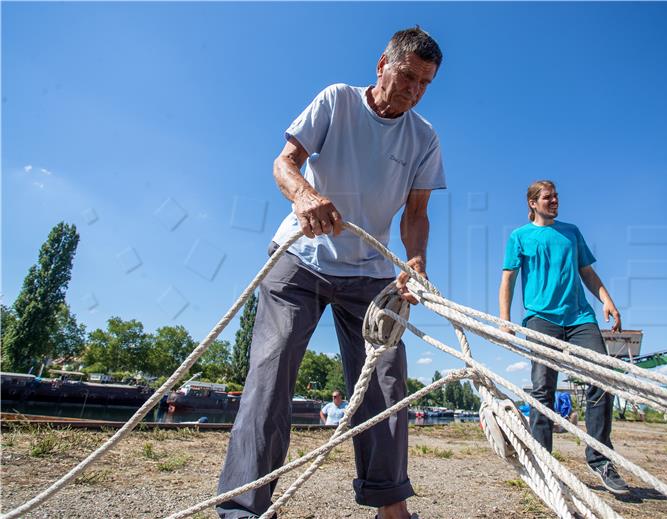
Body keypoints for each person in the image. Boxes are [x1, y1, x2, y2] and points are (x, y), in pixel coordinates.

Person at [216, 27, 445, 519]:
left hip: (371, 275)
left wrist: (416, 261)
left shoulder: (424, 137)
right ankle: (243, 508)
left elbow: (416, 214)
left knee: (385, 380)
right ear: (383, 64)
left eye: (424, 83)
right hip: (299, 260)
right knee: (271, 372)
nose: (413, 90)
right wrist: (303, 195)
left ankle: (389, 504)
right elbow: (285, 163)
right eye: (407, 76)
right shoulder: (337, 101)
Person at [498, 180, 629, 494]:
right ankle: (543, 463)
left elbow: (587, 271)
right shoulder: (519, 237)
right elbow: (508, 280)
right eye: (547, 197)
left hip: (580, 316)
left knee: (601, 376)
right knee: (543, 388)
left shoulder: (571, 232)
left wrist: (606, 300)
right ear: (532, 203)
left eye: (556, 196)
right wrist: (505, 320)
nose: (554, 200)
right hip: (541, 318)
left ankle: (600, 460)